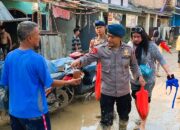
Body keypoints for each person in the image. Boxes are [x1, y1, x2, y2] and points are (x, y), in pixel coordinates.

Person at [0, 21, 81, 130]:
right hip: (34, 113)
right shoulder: (37, 59)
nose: (39, 37)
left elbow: (6, 83)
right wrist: (69, 82)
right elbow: (50, 82)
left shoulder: (9, 57)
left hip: (15, 113)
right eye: (37, 34)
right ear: (29, 38)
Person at [71, 23, 146, 130]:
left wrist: (139, 76)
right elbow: (88, 57)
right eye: (108, 35)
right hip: (107, 92)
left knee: (124, 118)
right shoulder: (100, 49)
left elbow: (134, 65)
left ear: (120, 37)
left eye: (112, 37)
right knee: (106, 122)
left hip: (123, 92)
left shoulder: (128, 50)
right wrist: (79, 61)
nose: (109, 38)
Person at [128, 26, 171, 130]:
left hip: (148, 81)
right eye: (134, 37)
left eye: (138, 37)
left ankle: (143, 124)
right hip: (134, 80)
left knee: (145, 101)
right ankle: (141, 115)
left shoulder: (151, 46)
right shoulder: (129, 46)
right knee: (137, 99)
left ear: (143, 36)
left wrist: (169, 73)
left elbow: (161, 59)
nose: (136, 39)